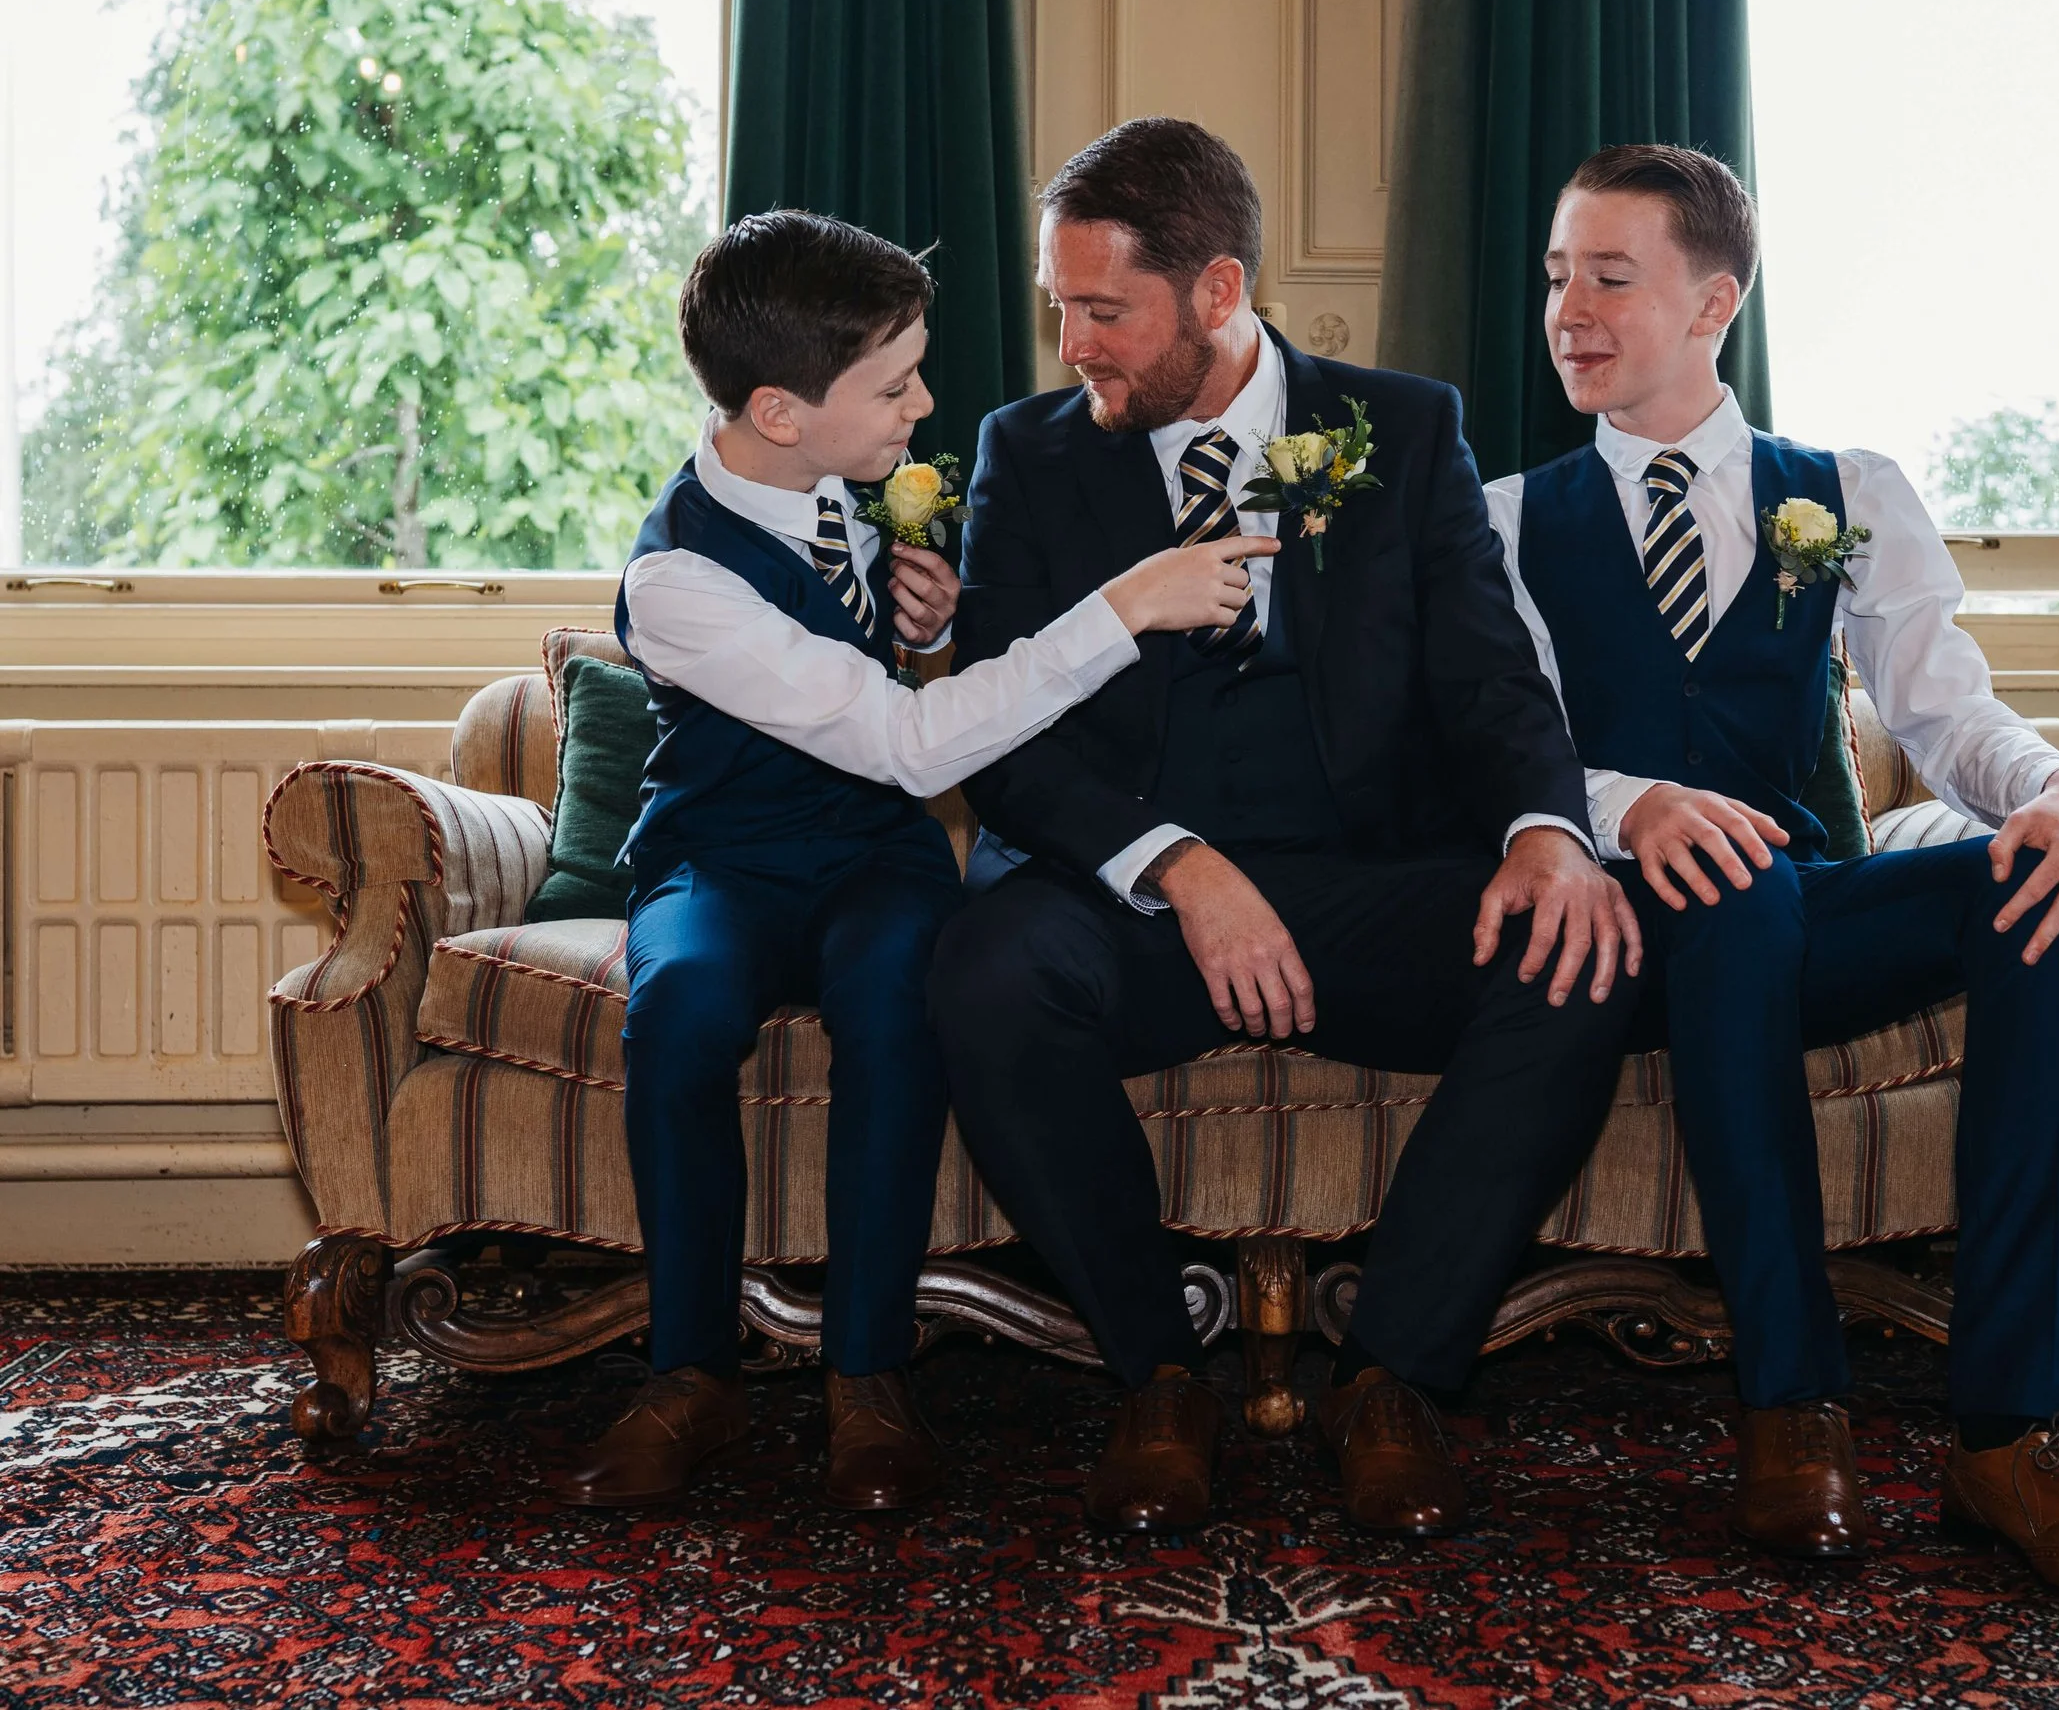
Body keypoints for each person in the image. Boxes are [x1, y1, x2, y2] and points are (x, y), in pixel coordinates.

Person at [1483, 143, 2059, 1604]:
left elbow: (1945, 714)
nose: (1569, 310)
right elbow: (1505, 752)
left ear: (1713, 303)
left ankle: (2009, 1441)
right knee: (1733, 887)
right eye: (1558, 278)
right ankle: (1792, 1401)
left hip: (1805, 914)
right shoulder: (1505, 521)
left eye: (1610, 276)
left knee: (2028, 889)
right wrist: (1634, 802)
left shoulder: (1844, 492)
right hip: (1632, 937)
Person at [932, 117, 1644, 1539]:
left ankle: (1392, 1377)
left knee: (1578, 954)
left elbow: (1492, 680)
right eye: (1061, 307)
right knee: (983, 975)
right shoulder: (1027, 452)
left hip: (1360, 882)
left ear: (1217, 291)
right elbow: (1001, 735)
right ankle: (1158, 1375)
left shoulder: (1407, 428)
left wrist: (1549, 834)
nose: (1074, 345)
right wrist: (1179, 865)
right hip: (1126, 898)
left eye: (1105, 311)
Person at [547, 209, 1273, 1513]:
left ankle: (867, 1375)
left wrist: (917, 619)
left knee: (901, 996)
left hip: (876, 861)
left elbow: (896, 674)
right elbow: (907, 741)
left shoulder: (849, 488)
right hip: (722, 861)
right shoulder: (675, 584)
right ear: (780, 410)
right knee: (683, 1007)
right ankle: (690, 1375)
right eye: (893, 387)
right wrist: (1126, 606)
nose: (924, 406)